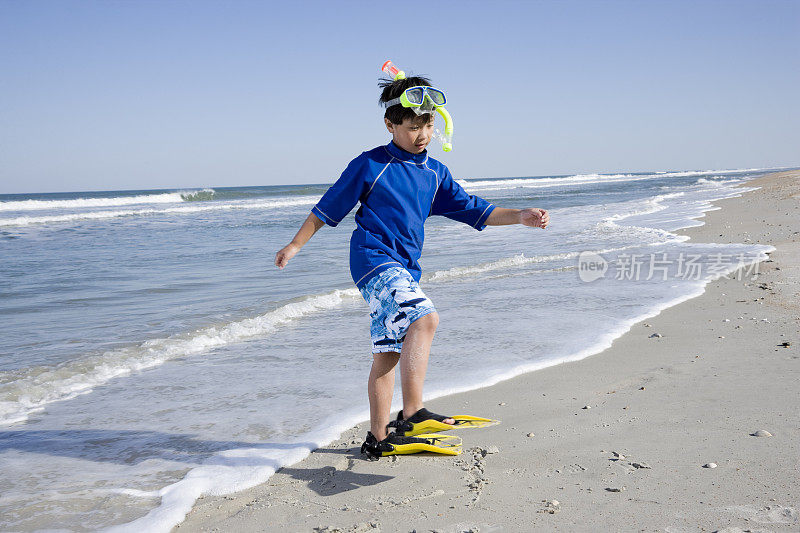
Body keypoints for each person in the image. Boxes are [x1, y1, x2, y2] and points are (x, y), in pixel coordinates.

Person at [274, 72, 549, 459]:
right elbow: (327, 208)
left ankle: (378, 439)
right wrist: (295, 244)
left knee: (389, 352)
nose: (422, 134)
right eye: (413, 126)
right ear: (391, 125)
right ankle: (414, 413)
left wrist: (520, 215)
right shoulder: (371, 164)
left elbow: (475, 210)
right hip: (373, 260)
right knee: (425, 318)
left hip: (403, 266)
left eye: (428, 125)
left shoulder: (434, 172)